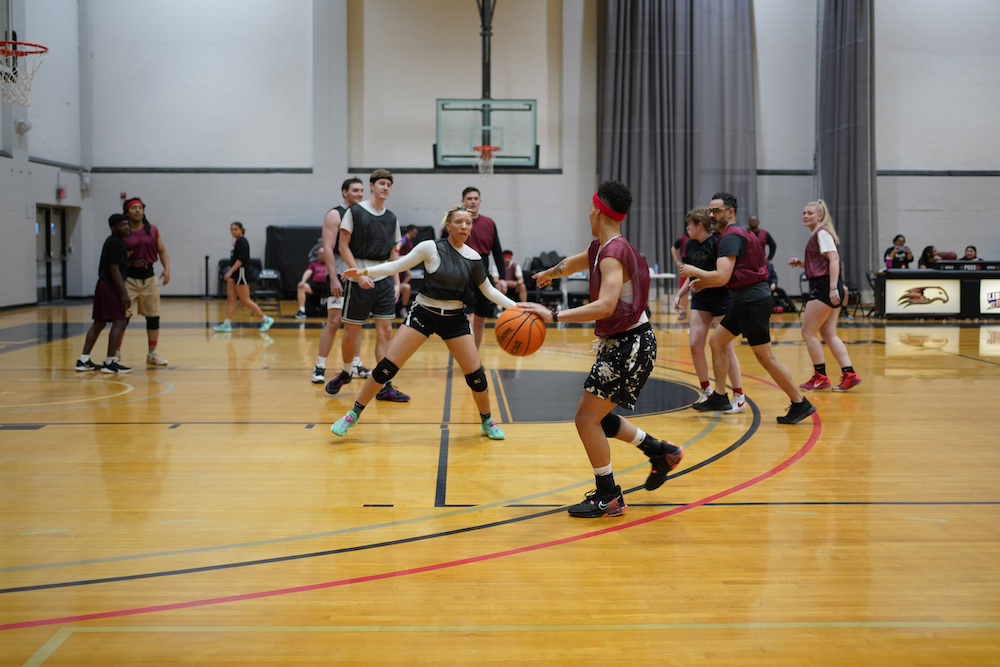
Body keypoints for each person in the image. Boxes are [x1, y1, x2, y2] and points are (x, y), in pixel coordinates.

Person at [522, 181, 684, 519]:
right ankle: (660, 452)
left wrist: (554, 314)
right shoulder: (602, 247)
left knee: (585, 419)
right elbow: (574, 262)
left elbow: (606, 304)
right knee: (600, 417)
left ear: (596, 211)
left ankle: (608, 496)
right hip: (627, 343)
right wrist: (548, 274)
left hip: (630, 345)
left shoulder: (612, 254)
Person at [331, 204, 515, 440]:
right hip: (424, 314)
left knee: (476, 375)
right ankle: (352, 415)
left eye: (468, 223)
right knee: (386, 366)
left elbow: (489, 290)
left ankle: (487, 420)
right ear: (447, 225)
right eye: (458, 222)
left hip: (454, 319)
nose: (464, 226)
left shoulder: (474, 257)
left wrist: (519, 307)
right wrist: (365, 272)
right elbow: (397, 265)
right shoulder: (430, 247)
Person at [680, 192, 816, 424]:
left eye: (717, 211)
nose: (712, 215)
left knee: (766, 358)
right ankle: (720, 396)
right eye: (711, 211)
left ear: (730, 213)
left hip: (752, 302)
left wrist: (695, 272)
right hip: (745, 300)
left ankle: (799, 402)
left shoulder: (730, 238)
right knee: (717, 342)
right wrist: (703, 281)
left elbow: (722, 277)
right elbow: (728, 276)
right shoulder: (739, 235)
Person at [330, 169, 409, 401]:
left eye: (389, 185)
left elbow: (394, 254)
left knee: (385, 332)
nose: (385, 187)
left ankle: (384, 385)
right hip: (359, 279)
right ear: (372, 186)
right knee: (352, 332)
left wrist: (396, 282)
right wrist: (358, 273)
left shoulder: (392, 218)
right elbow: (343, 246)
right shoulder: (354, 212)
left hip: (384, 279)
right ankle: (345, 372)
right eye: (381, 183)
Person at [671, 208, 746, 413]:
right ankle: (706, 390)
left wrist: (701, 280)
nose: (686, 228)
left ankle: (739, 394)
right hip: (701, 300)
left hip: (722, 297)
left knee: (725, 347)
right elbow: (690, 274)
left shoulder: (719, 242)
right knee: (695, 345)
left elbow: (722, 275)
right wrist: (680, 294)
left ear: (699, 225)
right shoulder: (691, 245)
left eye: (689, 225)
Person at [787, 200, 862, 393]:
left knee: (808, 332)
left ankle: (820, 378)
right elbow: (823, 262)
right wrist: (803, 264)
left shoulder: (821, 233)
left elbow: (834, 259)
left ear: (820, 216)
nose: (805, 216)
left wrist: (832, 288)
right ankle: (849, 374)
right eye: (804, 212)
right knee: (828, 334)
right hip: (826, 285)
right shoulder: (818, 234)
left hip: (824, 287)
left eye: (810, 213)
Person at [310, 177, 370, 385]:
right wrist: (333, 278)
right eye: (355, 190)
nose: (360, 194)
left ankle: (355, 363)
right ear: (344, 192)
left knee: (356, 323)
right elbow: (327, 248)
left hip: (357, 273)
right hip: (339, 274)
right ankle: (320, 365)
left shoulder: (362, 213)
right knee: (334, 321)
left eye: (362, 190)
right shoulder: (335, 214)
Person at [446, 187, 507, 348]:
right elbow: (444, 249)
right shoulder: (454, 223)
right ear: (463, 201)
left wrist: (502, 278)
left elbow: (498, 252)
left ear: (480, 201)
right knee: (468, 319)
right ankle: (466, 354)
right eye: (469, 198)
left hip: (483, 274)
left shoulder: (489, 223)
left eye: (475, 198)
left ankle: (474, 356)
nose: (472, 201)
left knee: (480, 320)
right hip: (461, 275)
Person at [75, 214, 134, 374]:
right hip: (110, 286)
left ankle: (84, 360)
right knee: (120, 322)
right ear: (113, 227)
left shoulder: (112, 241)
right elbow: (114, 269)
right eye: (123, 225)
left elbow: (116, 265)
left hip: (103, 285)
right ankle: (110, 362)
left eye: (127, 225)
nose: (127, 227)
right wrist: (123, 293)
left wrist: (132, 263)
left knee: (99, 323)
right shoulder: (116, 243)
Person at [121, 197, 171, 366]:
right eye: (133, 208)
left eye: (140, 208)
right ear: (127, 212)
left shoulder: (152, 230)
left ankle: (152, 354)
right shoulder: (123, 231)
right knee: (123, 317)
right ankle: (116, 354)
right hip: (129, 278)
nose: (137, 210)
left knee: (153, 317)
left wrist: (167, 269)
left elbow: (162, 251)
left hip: (149, 276)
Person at [211, 222, 275, 333]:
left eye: (235, 229)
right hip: (235, 274)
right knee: (231, 300)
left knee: (245, 301)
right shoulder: (237, 242)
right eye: (231, 229)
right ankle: (227, 324)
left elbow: (240, 261)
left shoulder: (243, 242)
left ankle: (266, 319)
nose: (233, 231)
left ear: (241, 230)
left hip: (241, 273)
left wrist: (229, 272)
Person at [294, 247, 329, 320]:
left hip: (328, 286)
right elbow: (308, 272)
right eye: (320, 254)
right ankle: (301, 311)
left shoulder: (331, 263)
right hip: (316, 286)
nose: (322, 255)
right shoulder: (313, 264)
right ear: (318, 255)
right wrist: (303, 281)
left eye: (324, 254)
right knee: (302, 287)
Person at [396, 224, 420, 317]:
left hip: (403, 266)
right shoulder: (404, 239)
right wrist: (399, 257)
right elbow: (398, 245)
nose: (416, 233)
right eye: (414, 231)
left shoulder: (409, 241)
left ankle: (403, 308)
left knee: (408, 281)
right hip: (399, 263)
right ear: (410, 231)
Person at [671, 232, 690, 320]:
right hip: (685, 266)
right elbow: (673, 248)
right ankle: (683, 311)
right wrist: (677, 261)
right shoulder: (682, 239)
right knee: (684, 290)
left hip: (698, 265)